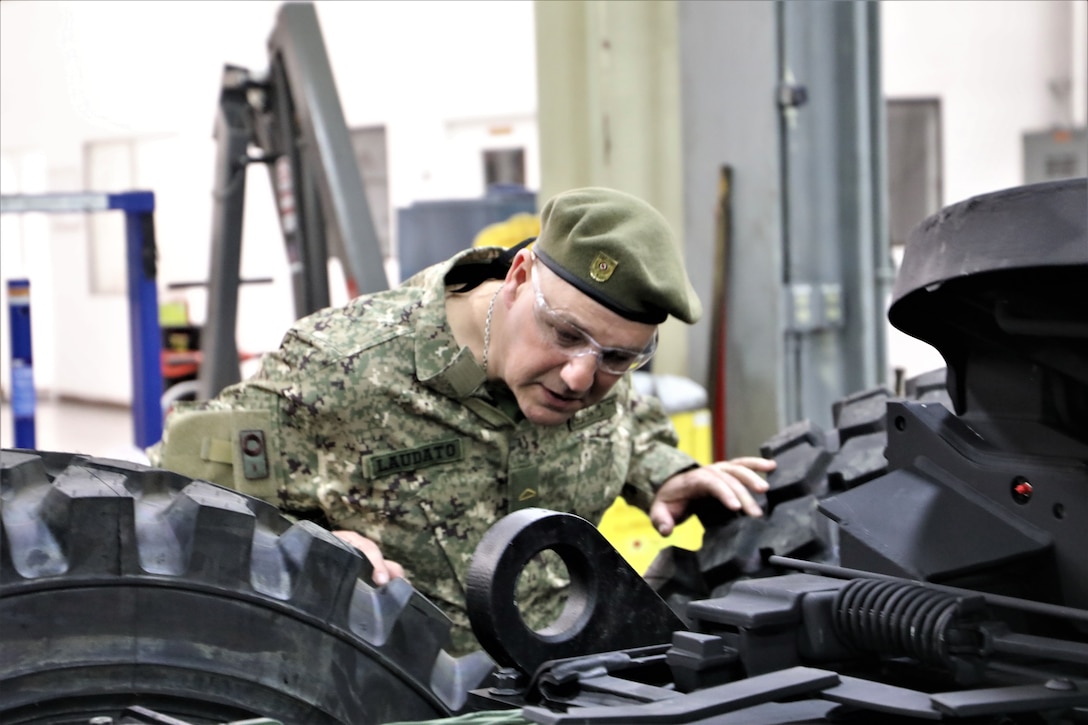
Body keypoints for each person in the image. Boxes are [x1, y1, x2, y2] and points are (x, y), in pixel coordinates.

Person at [150, 187, 775, 655]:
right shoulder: (343, 365)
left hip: (568, 680)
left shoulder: (594, 369)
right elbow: (175, 499)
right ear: (520, 277)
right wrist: (301, 549)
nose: (581, 377)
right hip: (408, 697)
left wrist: (664, 472)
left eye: (617, 356)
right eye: (564, 334)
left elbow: (627, 420)